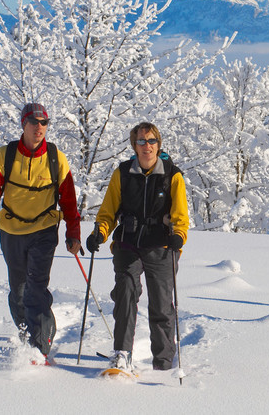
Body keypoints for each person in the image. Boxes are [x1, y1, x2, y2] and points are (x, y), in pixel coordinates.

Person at [0, 103, 82, 362]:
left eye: (44, 122)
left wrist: (73, 234)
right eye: (34, 122)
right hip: (11, 230)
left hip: (44, 230)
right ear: (23, 124)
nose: (39, 127)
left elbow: (68, 200)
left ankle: (40, 346)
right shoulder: (5, 155)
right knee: (19, 289)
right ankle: (28, 333)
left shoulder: (56, 157)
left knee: (36, 286)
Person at [87, 122, 189, 373]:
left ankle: (163, 363)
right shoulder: (122, 173)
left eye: (151, 140)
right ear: (134, 146)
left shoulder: (172, 175)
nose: (147, 146)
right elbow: (108, 211)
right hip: (129, 242)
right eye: (141, 141)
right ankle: (122, 354)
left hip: (162, 245)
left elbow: (181, 216)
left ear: (159, 144)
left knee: (162, 304)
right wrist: (99, 232)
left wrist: (178, 235)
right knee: (126, 291)